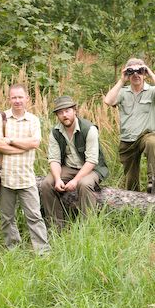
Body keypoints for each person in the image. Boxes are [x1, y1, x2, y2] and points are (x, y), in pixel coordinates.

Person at [0, 84, 49, 253]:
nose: (17, 101)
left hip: (26, 177)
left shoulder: (33, 120)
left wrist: (10, 140)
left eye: (20, 97)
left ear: (27, 99)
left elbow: (35, 143)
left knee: (34, 216)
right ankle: (12, 249)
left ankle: (42, 251)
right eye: (14, 97)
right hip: (6, 176)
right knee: (7, 217)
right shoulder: (0, 119)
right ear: (9, 99)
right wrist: (22, 146)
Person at [40, 96, 108, 229]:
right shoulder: (55, 132)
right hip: (69, 167)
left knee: (84, 184)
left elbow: (92, 161)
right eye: (60, 112)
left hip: (91, 168)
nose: (64, 115)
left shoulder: (89, 129)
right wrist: (58, 179)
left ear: (74, 111)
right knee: (47, 183)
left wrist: (75, 181)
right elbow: (54, 159)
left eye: (67, 111)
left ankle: (88, 227)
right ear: (57, 115)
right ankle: (57, 227)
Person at [103, 58, 155, 191]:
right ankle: (136, 203)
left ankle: (153, 181)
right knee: (131, 184)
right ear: (128, 74)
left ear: (144, 74)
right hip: (127, 140)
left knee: (152, 142)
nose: (136, 75)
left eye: (140, 71)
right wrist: (122, 80)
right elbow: (108, 101)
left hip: (145, 135)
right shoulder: (122, 92)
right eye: (132, 72)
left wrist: (150, 73)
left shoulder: (151, 91)